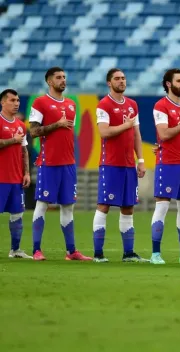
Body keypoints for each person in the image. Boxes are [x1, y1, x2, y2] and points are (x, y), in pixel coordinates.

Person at [29, 67, 91, 261]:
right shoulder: (40, 102)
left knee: (68, 206)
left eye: (64, 77)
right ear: (49, 81)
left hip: (68, 164)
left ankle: (71, 251)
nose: (63, 80)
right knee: (42, 204)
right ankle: (36, 250)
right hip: (49, 163)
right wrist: (57, 124)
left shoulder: (72, 104)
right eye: (58, 77)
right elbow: (33, 132)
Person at [92, 68, 147, 262]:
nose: (121, 81)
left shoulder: (132, 105)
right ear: (109, 83)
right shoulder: (103, 105)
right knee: (104, 205)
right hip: (110, 164)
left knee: (128, 207)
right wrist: (126, 125)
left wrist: (140, 160)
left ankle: (128, 253)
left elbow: (137, 135)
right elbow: (104, 132)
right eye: (117, 78)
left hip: (128, 165)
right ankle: (98, 254)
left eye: (123, 78)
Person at [150, 68, 180, 265]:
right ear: (169, 84)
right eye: (179, 81)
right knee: (162, 207)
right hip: (167, 163)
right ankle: (155, 254)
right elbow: (165, 134)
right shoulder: (161, 106)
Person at [0, 89, 32, 259]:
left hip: (15, 178)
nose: (16, 103)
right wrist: (13, 140)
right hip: (0, 178)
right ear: (3, 102)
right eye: (12, 100)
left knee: (17, 213)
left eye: (18, 100)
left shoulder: (20, 125)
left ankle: (15, 250)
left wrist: (26, 173)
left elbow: (24, 150)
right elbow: (14, 142)